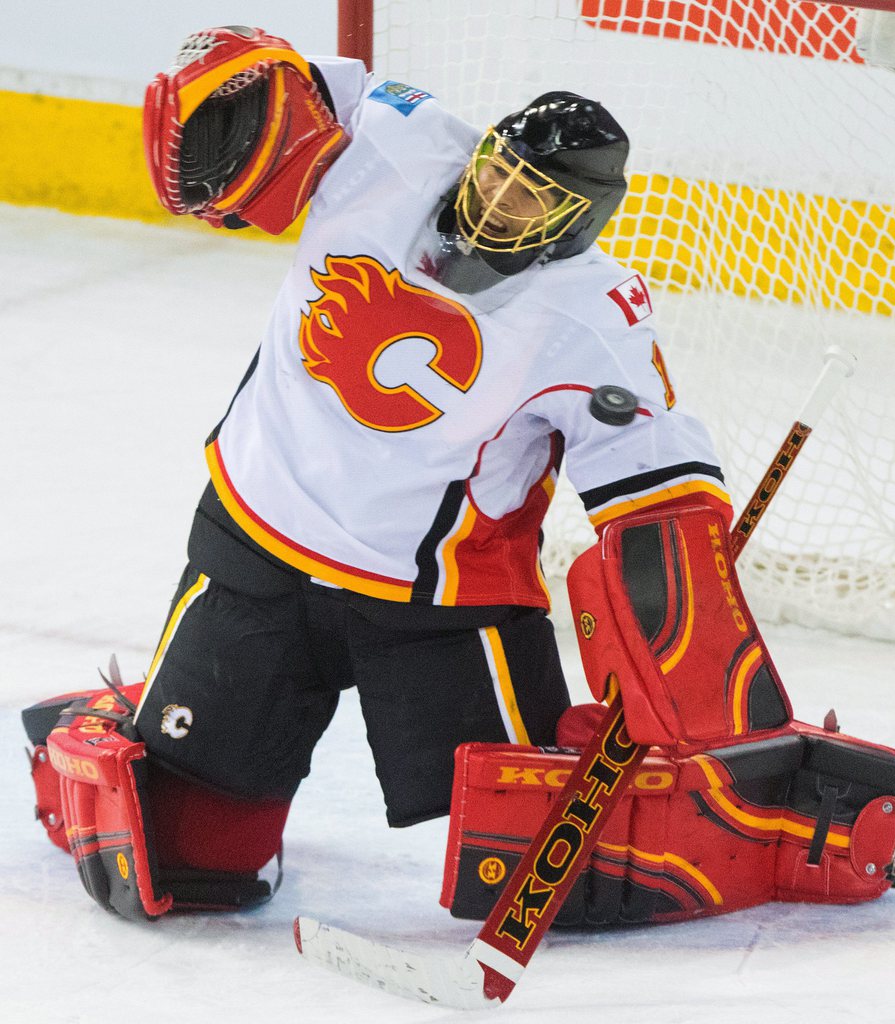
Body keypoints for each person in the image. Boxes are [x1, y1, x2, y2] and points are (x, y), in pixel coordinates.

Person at [28, 25, 846, 922]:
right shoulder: (394, 139)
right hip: (258, 538)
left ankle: (765, 813)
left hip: (435, 607)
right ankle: (122, 721)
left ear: (580, 219)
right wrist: (232, 86)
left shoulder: (593, 320)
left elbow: (657, 498)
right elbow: (291, 90)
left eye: (532, 199)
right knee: (184, 863)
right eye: (497, 169)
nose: (496, 199)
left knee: (549, 850)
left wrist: (697, 685)